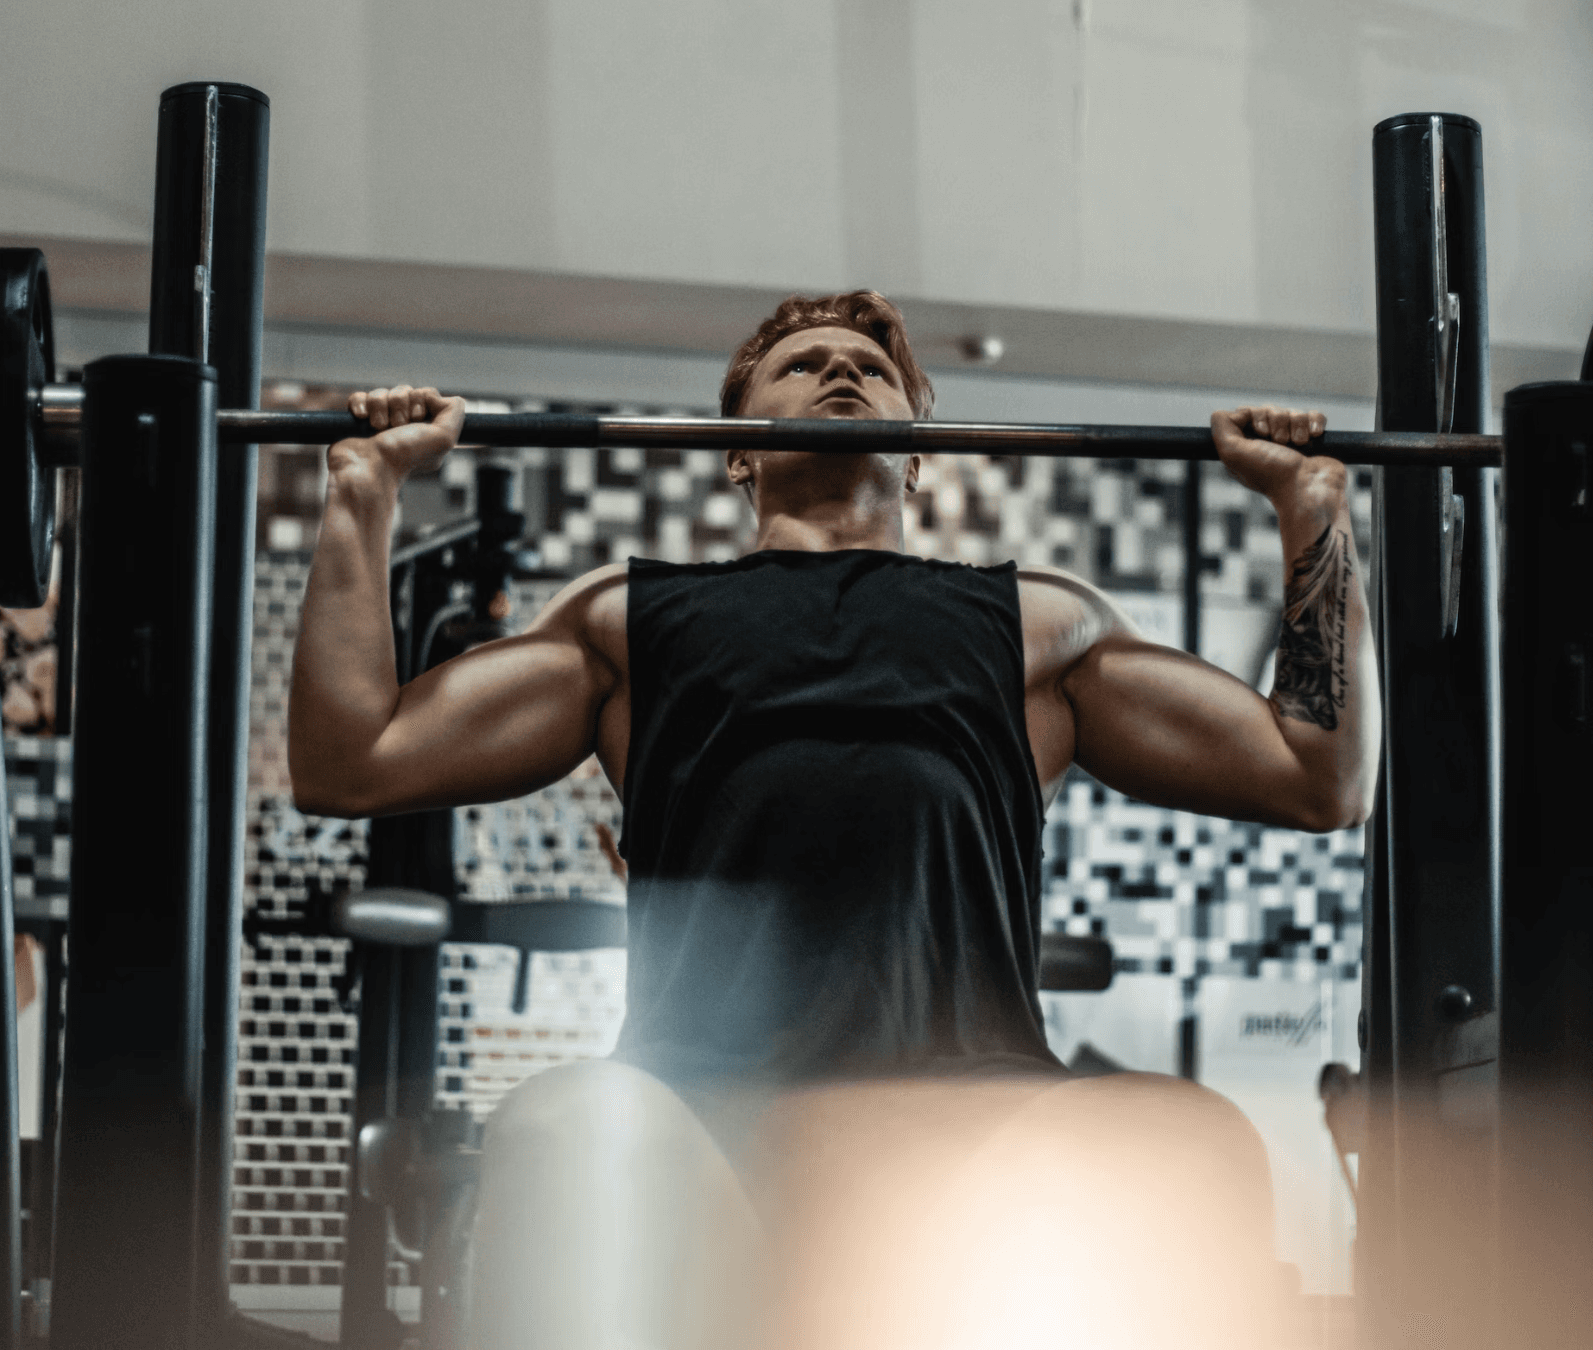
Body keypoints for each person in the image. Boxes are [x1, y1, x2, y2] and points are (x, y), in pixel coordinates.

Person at [289, 291, 1379, 1349]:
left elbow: (1314, 775)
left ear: (914, 454)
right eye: (800, 365)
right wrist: (363, 491)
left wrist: (1310, 509)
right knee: (559, 1126)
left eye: (867, 368)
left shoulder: (1035, 624)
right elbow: (352, 760)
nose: (841, 370)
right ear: (740, 450)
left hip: (976, 1095)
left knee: (1188, 1143)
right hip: (696, 1095)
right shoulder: (629, 619)